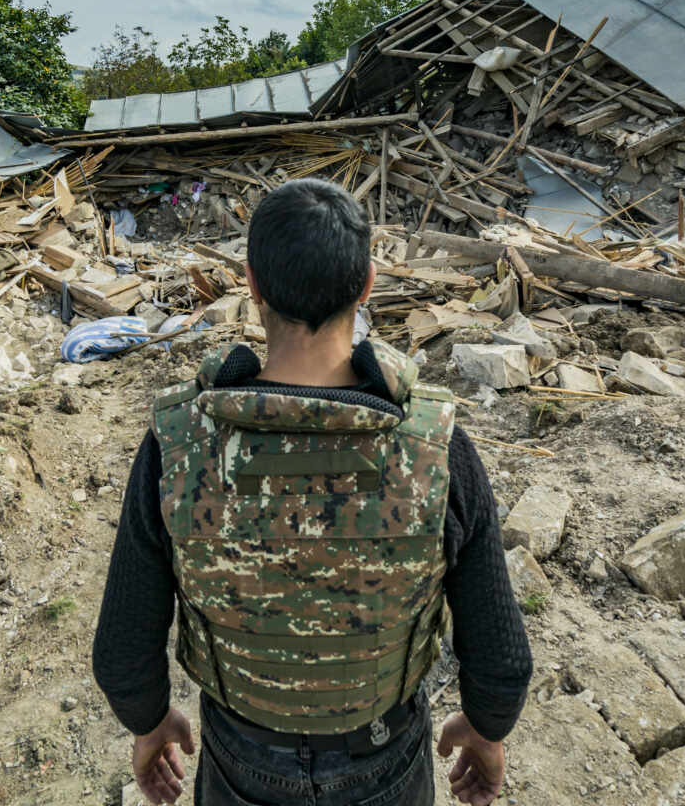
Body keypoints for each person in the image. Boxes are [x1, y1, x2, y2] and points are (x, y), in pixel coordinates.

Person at [92, 178, 532, 806]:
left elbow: (123, 643)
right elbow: (497, 643)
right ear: (367, 285)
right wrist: (488, 728)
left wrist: (148, 722)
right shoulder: (437, 444)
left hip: (242, 754)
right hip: (382, 753)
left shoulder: (178, 442)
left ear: (252, 285)